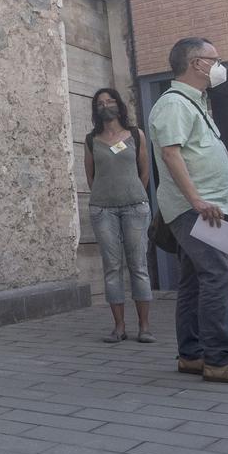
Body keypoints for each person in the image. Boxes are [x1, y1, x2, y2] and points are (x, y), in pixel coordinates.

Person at [148, 40, 228, 385]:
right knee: (219, 276)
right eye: (215, 59)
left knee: (193, 281)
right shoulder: (173, 104)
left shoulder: (194, 102)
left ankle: (192, 355)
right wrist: (197, 200)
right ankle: (219, 360)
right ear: (196, 64)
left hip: (202, 207)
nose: (220, 65)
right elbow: (171, 155)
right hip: (195, 209)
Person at [86, 87, 155, 344]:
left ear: (119, 105)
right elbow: (91, 176)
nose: (105, 106)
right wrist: (105, 197)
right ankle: (119, 326)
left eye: (110, 101)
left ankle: (145, 327)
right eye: (100, 103)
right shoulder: (91, 140)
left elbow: (144, 171)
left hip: (135, 207)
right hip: (103, 210)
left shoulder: (136, 135)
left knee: (138, 266)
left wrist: (134, 194)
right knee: (112, 268)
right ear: (96, 110)